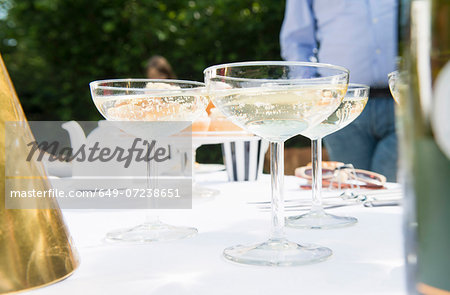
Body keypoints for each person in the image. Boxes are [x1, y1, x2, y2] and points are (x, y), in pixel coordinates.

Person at [280, 0, 398, 181]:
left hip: (403, 102)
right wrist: (311, 91)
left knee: (392, 187)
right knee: (352, 188)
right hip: (341, 103)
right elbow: (296, 40)